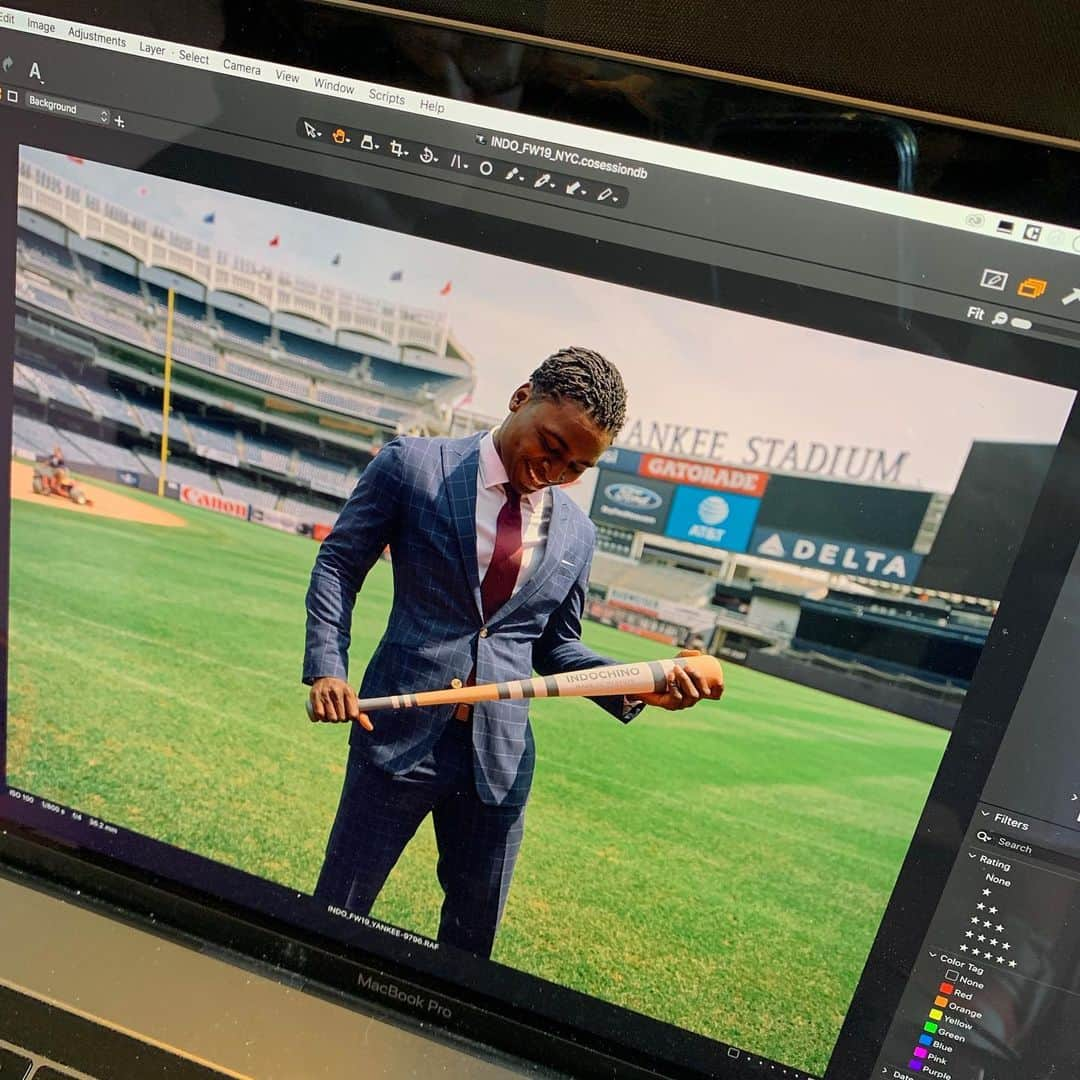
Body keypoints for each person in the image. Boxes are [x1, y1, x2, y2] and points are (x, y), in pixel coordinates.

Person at [303, 347, 724, 957]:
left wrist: (642, 680)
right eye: (551, 446)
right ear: (521, 396)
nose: (555, 470)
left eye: (578, 466)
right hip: (394, 735)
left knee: (472, 947)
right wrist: (326, 667)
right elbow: (340, 562)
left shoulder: (579, 533)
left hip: (498, 762)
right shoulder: (413, 465)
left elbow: (555, 649)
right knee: (338, 911)